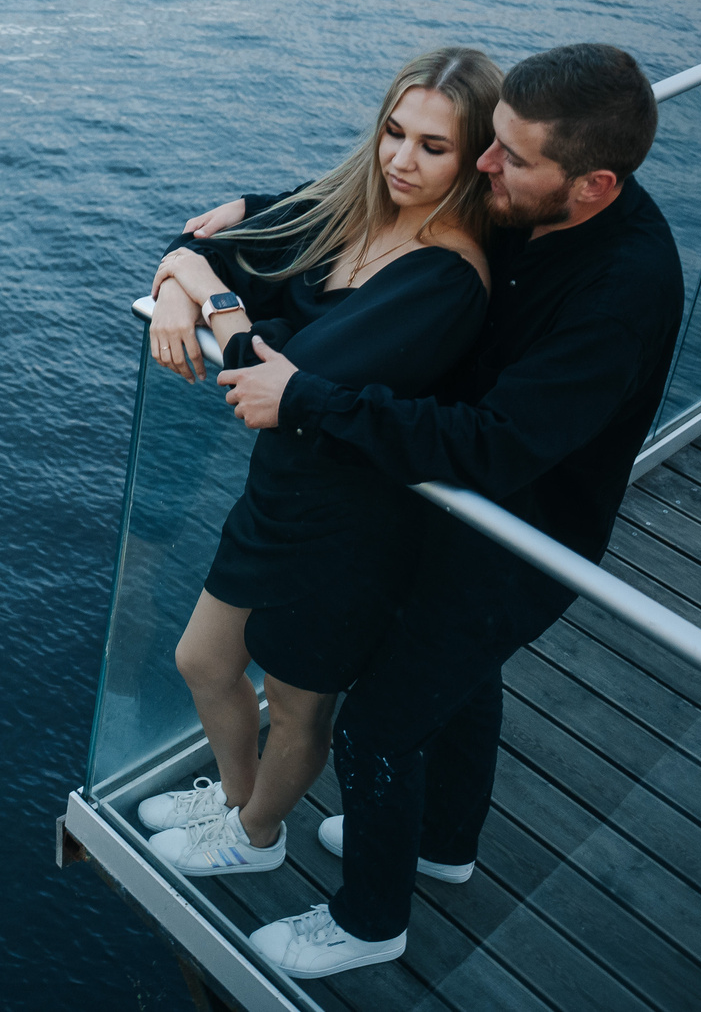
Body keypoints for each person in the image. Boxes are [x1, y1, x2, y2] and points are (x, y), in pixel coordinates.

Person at [218, 44, 683, 979]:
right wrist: (258, 210)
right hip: (462, 510)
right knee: (460, 683)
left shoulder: (618, 294)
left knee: (377, 724)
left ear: (591, 185)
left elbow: (497, 443)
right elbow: (391, 197)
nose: (483, 165)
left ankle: (369, 920)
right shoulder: (532, 201)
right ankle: (443, 841)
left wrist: (307, 396)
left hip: (523, 538)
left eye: (509, 155)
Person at [133, 47, 503, 880]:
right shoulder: (350, 210)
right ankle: (235, 800)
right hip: (280, 495)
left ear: (475, 157)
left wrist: (205, 289)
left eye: (433, 146)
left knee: (301, 702)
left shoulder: (447, 275)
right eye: (394, 132)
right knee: (203, 658)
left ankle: (258, 833)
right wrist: (184, 279)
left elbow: (280, 379)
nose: (402, 160)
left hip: (353, 519)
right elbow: (203, 240)